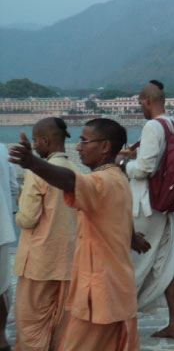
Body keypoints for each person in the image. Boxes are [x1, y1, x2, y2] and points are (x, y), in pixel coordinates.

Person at [9, 118, 148, 351]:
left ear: (104, 146)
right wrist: (132, 237)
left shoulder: (102, 180)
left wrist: (32, 163)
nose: (78, 147)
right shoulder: (117, 178)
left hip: (100, 293)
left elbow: (70, 182)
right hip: (109, 289)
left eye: (84, 141)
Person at [118, 80, 174, 340]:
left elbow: (145, 169)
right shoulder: (173, 124)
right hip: (164, 204)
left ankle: (123, 327)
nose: (140, 107)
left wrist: (123, 164)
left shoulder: (152, 126)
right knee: (164, 266)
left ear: (147, 99)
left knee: (133, 263)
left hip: (145, 206)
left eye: (139, 102)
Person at [13, 118, 78, 351]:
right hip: (69, 260)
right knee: (63, 321)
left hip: (39, 262)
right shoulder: (75, 172)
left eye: (35, 140)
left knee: (31, 322)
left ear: (45, 140)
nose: (34, 145)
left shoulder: (37, 172)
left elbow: (28, 219)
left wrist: (18, 208)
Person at [0, 143, 19, 351]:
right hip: (1, 229)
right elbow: (14, 187)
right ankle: (1, 337)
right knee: (1, 287)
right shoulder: (2, 149)